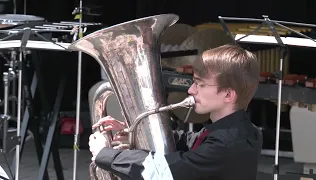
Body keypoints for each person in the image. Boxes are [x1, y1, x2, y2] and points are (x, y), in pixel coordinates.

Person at [88, 44, 263, 180]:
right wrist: (133, 133)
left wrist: (105, 154)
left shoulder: (226, 144)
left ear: (228, 94)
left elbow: (162, 172)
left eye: (200, 84)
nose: (191, 90)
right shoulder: (238, 131)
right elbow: (187, 141)